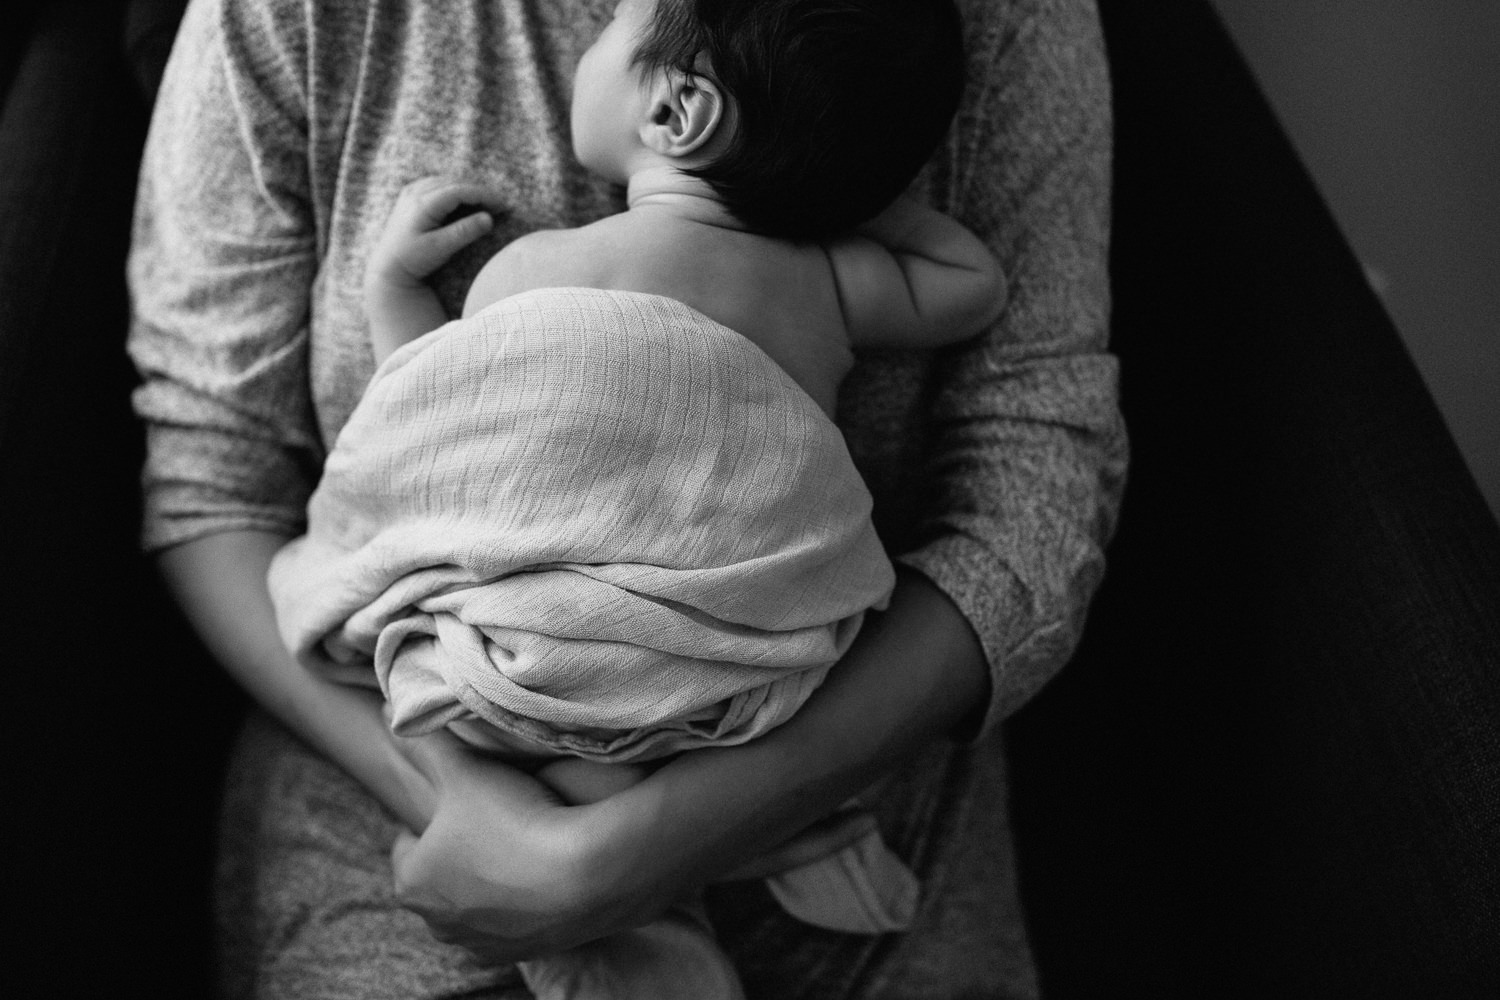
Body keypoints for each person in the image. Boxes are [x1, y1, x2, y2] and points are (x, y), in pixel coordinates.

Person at [126, 0, 1125, 996]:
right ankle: (761, 849)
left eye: (616, 31)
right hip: (755, 679)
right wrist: (832, 162)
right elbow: (212, 474)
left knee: (391, 602)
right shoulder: (826, 276)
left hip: (509, 675)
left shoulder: (527, 269)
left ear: (679, 109)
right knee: (664, 697)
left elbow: (433, 414)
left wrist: (636, 851)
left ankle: (647, 901)